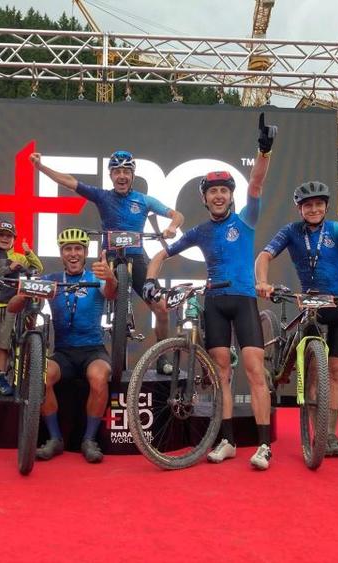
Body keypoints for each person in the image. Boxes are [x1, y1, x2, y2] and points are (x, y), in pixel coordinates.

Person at [143, 113, 278, 470]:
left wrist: (264, 151)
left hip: (243, 300)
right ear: (205, 199)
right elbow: (160, 254)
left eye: (223, 191)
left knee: (254, 370)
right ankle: (227, 440)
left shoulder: (245, 220)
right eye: (212, 192)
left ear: (230, 196)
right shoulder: (200, 232)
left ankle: (264, 445)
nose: (218, 196)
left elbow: (256, 184)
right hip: (215, 303)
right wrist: (150, 280)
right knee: (221, 374)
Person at [254, 181, 338, 457]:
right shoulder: (290, 231)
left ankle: (330, 434)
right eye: (307, 205)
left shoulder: (336, 228)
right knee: (314, 372)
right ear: (299, 209)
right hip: (312, 306)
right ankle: (317, 430)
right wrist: (262, 281)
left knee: (336, 372)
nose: (313, 209)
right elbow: (264, 256)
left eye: (318, 204)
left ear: (325, 206)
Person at [29, 149, 184, 374]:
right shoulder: (102, 196)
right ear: (111, 175)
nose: (122, 176)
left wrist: (172, 227)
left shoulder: (143, 200)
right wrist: (41, 167)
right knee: (94, 297)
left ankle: (162, 356)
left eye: (126, 172)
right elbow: (69, 181)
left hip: (136, 258)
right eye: (117, 171)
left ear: (132, 176)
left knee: (161, 308)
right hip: (109, 258)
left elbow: (177, 215)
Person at [8, 228, 117, 463]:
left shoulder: (96, 277)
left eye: (78, 248)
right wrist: (25, 292)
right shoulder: (52, 279)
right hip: (63, 353)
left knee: (99, 377)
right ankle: (55, 439)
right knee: (41, 376)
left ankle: (89, 440)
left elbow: (111, 293)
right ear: (61, 254)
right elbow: (12, 307)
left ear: (85, 253)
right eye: (68, 249)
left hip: (93, 350)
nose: (73, 253)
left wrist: (110, 277)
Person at [0, 221, 43, 397]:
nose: (5, 238)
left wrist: (28, 253)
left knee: (4, 345)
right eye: (1, 235)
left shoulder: (19, 257)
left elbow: (37, 269)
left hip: (10, 307)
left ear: (14, 239)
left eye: (9, 235)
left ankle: (0, 379)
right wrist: (9, 268)